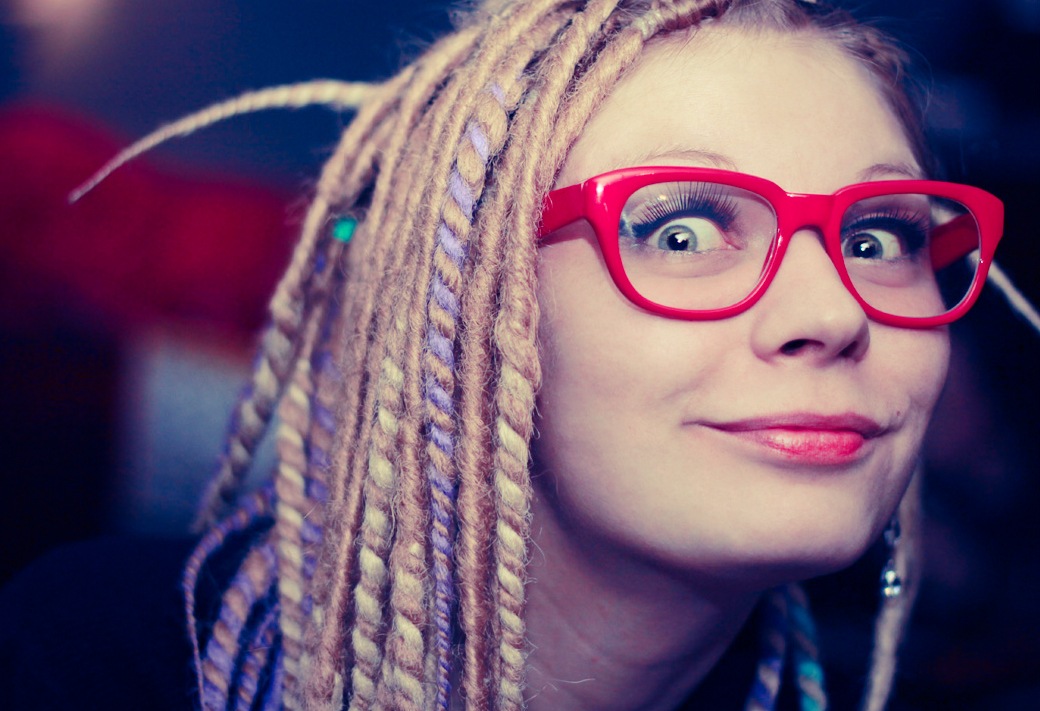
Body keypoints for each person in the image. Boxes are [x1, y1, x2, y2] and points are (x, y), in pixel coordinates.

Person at [2, 0, 1034, 709]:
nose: (834, 310)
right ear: (472, 301)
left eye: (878, 238)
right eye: (679, 230)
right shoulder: (103, 662)